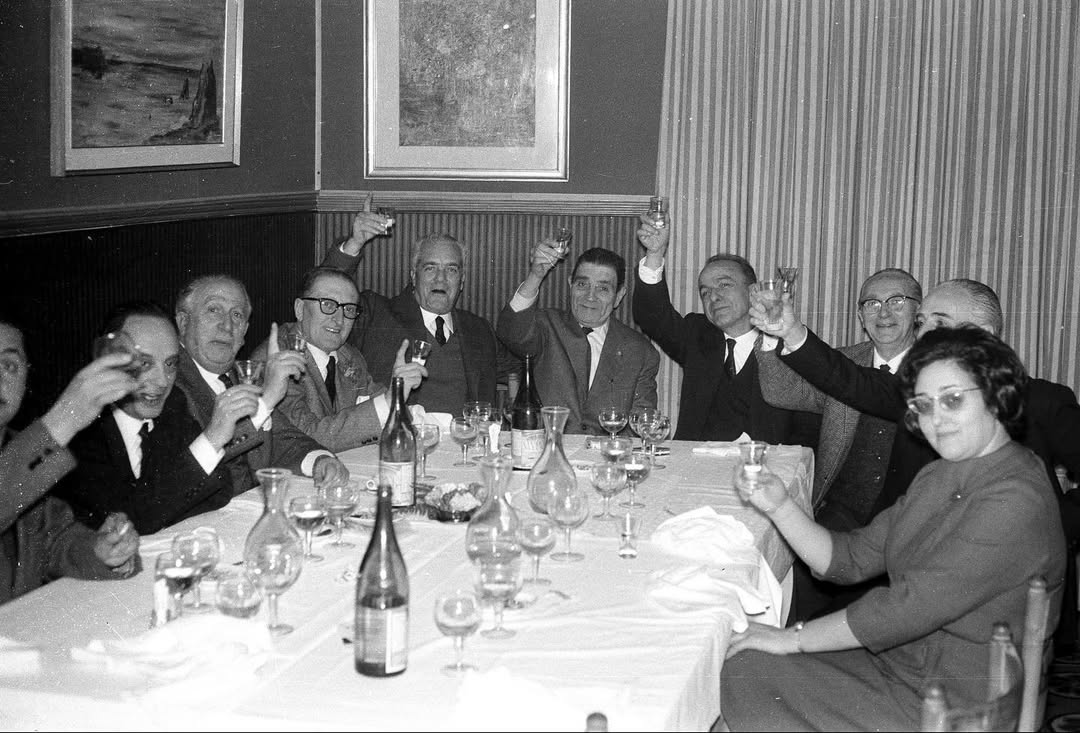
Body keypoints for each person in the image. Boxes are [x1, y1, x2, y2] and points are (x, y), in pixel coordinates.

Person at [720, 326, 1066, 730]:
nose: (936, 419)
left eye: (953, 400)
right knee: (738, 658)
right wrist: (779, 506)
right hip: (904, 663)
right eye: (923, 405)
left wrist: (792, 638)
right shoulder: (940, 474)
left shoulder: (1017, 497)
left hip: (955, 703)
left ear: (995, 396)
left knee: (743, 672)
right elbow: (848, 558)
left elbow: (908, 607)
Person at [757, 268, 924, 620]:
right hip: (843, 509)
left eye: (897, 302)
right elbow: (780, 391)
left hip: (910, 515)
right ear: (861, 317)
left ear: (918, 312)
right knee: (799, 590)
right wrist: (772, 336)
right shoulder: (842, 362)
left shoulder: (936, 371)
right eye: (872, 304)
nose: (884, 313)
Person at [53, 302, 234, 535]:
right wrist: (211, 440)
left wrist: (160, 507)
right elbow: (127, 522)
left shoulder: (173, 404)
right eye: (144, 363)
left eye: (170, 364)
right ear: (108, 361)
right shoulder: (81, 427)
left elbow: (220, 488)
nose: (162, 381)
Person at [631, 218, 817, 444]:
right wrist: (655, 253)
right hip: (695, 467)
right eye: (705, 292)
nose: (714, 297)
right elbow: (651, 315)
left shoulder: (789, 345)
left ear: (754, 291)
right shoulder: (697, 335)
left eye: (724, 285)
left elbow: (809, 430)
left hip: (762, 470)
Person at [1, 313, 139, 605]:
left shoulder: (13, 446)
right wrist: (66, 416)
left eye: (9, 365)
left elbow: (53, 541)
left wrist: (101, 550)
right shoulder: (28, 456)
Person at [172, 275, 349, 495]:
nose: (227, 326)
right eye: (213, 310)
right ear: (183, 321)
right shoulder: (168, 384)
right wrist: (266, 402)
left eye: (236, 315)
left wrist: (319, 461)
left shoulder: (240, 377)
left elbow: (283, 439)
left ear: (245, 332)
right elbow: (192, 469)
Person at [321, 213, 511, 415]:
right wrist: (354, 244)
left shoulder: (479, 329)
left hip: (465, 442)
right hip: (397, 440)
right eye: (430, 268)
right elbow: (323, 297)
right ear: (413, 275)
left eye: (451, 270)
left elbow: (525, 364)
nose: (441, 279)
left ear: (462, 281)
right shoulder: (376, 313)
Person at [251, 267, 425, 452]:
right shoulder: (276, 360)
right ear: (300, 309)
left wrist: (398, 391)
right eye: (327, 304)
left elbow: (378, 404)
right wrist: (389, 402)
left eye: (348, 309)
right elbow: (305, 438)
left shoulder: (348, 355)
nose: (339, 318)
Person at [496, 242, 659, 435]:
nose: (590, 297)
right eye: (582, 285)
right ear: (570, 285)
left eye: (603, 288)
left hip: (606, 459)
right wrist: (536, 276)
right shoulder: (546, 326)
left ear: (618, 296)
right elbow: (511, 331)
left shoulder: (639, 351)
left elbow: (642, 424)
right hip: (545, 454)